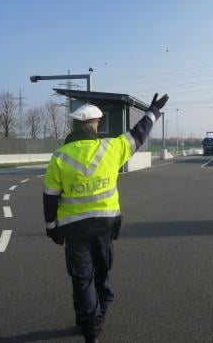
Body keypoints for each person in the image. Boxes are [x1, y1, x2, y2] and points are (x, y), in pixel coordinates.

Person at [42, 93, 169, 343]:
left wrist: (51, 227)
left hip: (74, 229)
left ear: (75, 126)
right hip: (105, 226)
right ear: (97, 123)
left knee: (82, 278)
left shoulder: (59, 156)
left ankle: (90, 326)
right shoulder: (111, 148)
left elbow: (49, 196)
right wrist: (153, 111)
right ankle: (99, 308)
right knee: (101, 271)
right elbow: (139, 134)